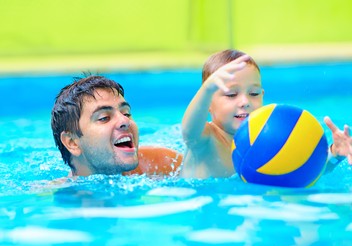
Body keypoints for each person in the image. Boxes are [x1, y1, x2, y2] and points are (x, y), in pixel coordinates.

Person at [181, 49, 351, 178]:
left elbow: (299, 169)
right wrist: (207, 90)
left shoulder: (267, 139)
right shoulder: (205, 139)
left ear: (262, 96)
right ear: (208, 105)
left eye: (253, 93)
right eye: (231, 94)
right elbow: (189, 131)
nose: (244, 101)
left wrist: (334, 154)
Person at [51, 75, 182, 177]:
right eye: (104, 118)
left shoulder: (160, 163)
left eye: (126, 113)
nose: (125, 121)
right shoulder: (54, 196)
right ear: (72, 142)